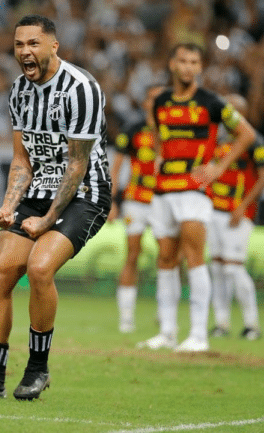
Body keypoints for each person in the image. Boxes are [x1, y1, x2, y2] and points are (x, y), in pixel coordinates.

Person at [0, 15, 111, 400]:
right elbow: (22, 160)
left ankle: (37, 371)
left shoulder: (81, 89)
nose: (25, 51)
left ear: (53, 46)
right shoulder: (19, 91)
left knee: (40, 267)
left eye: (33, 43)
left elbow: (77, 164)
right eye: (19, 44)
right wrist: (9, 207)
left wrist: (48, 219)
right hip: (38, 190)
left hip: (86, 192)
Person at [137, 43, 255, 352]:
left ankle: (199, 334)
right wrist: (162, 157)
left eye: (194, 62)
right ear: (172, 64)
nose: (188, 67)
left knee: (194, 257)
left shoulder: (212, 102)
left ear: (199, 67)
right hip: (163, 189)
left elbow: (246, 134)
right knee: (165, 258)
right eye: (183, 61)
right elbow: (162, 139)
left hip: (194, 190)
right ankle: (167, 332)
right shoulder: (160, 101)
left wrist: (218, 166)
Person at [206, 94, 264, 341]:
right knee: (218, 268)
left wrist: (243, 206)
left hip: (238, 214)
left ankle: (252, 324)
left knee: (234, 268)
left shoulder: (255, 141)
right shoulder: (221, 142)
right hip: (215, 211)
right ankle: (221, 323)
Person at [108, 85, 163, 333]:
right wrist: (112, 202)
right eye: (153, 97)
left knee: (170, 256)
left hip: (164, 200)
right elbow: (117, 167)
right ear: (144, 103)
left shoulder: (175, 128)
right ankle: (126, 318)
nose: (157, 102)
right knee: (132, 255)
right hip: (136, 200)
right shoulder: (133, 128)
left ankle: (164, 313)